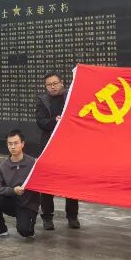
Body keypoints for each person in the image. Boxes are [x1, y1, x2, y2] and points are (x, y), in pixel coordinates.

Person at [35, 71, 78, 229]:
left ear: (62, 83)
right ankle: (47, 218)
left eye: (55, 83)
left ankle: (72, 217)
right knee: (47, 183)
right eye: (49, 85)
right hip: (49, 145)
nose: (52, 87)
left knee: (71, 183)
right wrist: (55, 121)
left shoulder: (71, 97)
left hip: (69, 146)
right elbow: (40, 122)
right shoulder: (42, 101)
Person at [0, 130, 40, 239]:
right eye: (10, 144)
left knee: (25, 232)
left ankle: (29, 224)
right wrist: (13, 191)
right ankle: (1, 227)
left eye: (16, 143)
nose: (13, 147)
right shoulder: (2, 167)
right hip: (11, 203)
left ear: (22, 144)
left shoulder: (33, 164)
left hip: (27, 205)